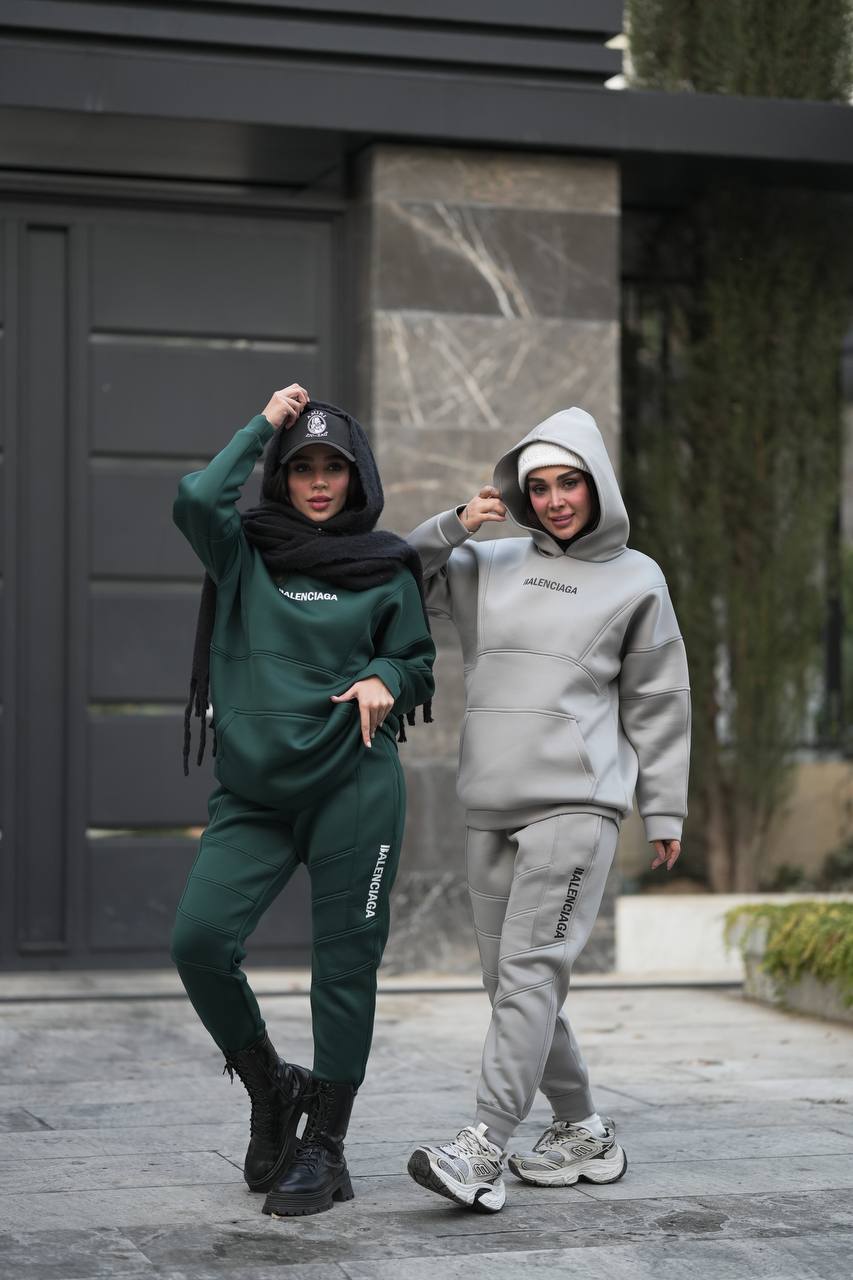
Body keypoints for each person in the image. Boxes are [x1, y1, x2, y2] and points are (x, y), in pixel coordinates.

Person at [405, 406, 690, 1213]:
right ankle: (583, 1129)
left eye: (570, 482)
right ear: (519, 494)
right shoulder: (486, 563)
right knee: (511, 985)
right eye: (540, 486)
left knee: (528, 974)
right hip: (488, 802)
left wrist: (663, 809)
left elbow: (659, 700)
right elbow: (394, 578)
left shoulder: (637, 578)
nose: (556, 499)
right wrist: (452, 526)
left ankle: (482, 1147)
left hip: (575, 804)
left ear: (596, 486)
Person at [170, 384, 435, 1218]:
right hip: (254, 793)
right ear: (280, 476)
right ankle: (271, 1086)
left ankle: (326, 1143)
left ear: (357, 479)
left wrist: (384, 675)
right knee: (199, 941)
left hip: (354, 784)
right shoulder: (241, 553)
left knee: (344, 966)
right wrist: (265, 423)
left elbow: (417, 661)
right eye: (302, 467)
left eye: (334, 468)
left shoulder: (385, 567)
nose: (319, 482)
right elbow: (195, 498)